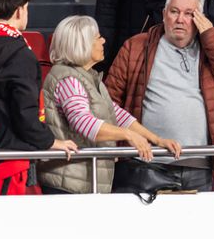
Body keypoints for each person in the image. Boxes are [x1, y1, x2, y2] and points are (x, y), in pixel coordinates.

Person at [106, 0, 214, 191]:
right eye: (174, 11)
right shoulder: (136, 46)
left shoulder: (209, 50)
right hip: (147, 163)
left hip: (198, 165)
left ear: (200, 19)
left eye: (189, 14)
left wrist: (210, 35)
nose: (180, 19)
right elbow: (109, 101)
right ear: (164, 14)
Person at [38, 16, 181, 194]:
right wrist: (128, 135)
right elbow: (83, 123)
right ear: (82, 44)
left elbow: (116, 114)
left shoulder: (89, 77)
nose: (104, 40)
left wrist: (156, 139)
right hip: (68, 184)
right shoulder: (69, 79)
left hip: (84, 181)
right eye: (98, 37)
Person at [0, 0, 77, 195]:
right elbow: (24, 113)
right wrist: (49, 142)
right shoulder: (20, 55)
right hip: (7, 163)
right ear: (19, 10)